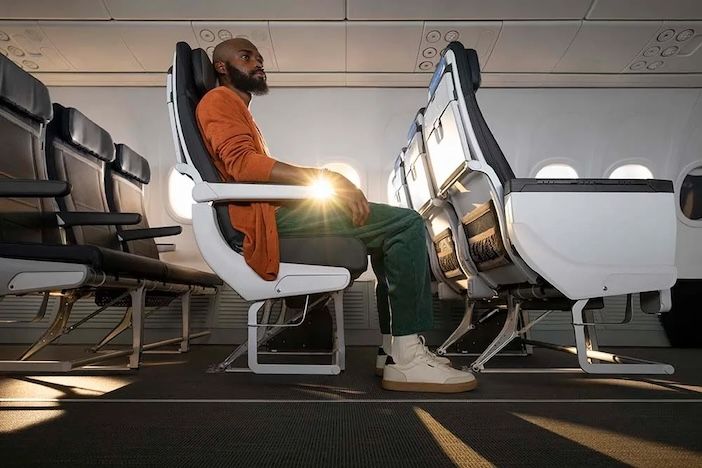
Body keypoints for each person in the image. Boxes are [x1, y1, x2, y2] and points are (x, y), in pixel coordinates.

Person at [196, 38, 477, 393]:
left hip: (271, 213)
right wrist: (327, 178)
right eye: (246, 57)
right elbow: (243, 166)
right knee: (406, 224)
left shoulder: (238, 108)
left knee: (393, 229)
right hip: (262, 221)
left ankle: (396, 350)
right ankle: (407, 358)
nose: (257, 63)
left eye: (260, 58)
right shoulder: (218, 100)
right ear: (221, 67)